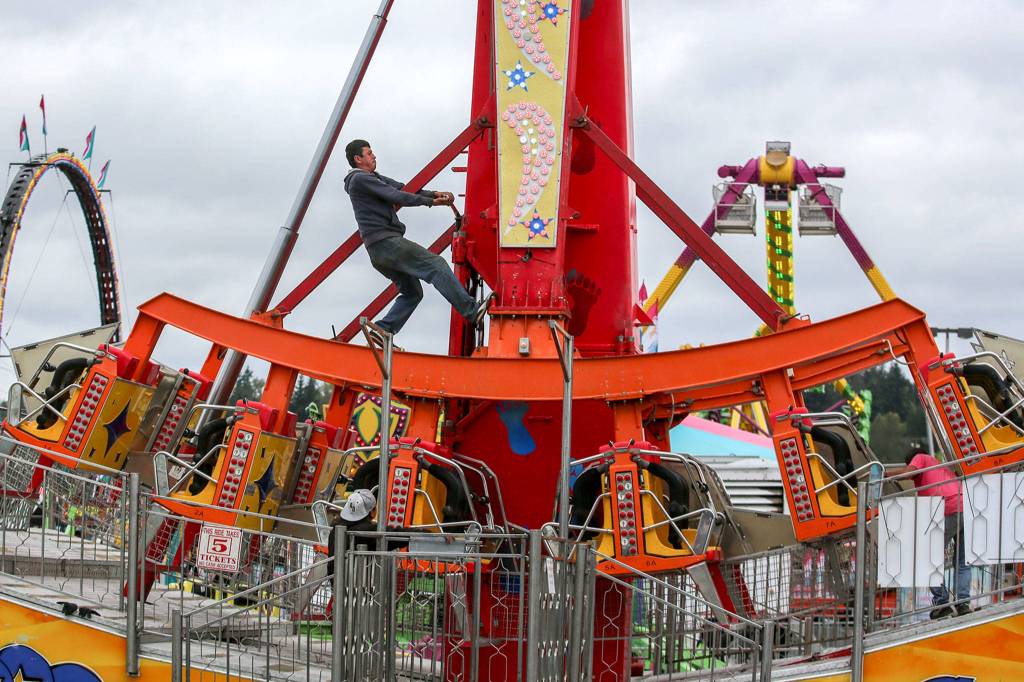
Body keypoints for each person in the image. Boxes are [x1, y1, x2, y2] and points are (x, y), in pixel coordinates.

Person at [343, 139, 490, 335]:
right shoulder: (361, 179)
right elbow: (398, 196)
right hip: (386, 243)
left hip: (378, 251)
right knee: (436, 265)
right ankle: (472, 310)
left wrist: (435, 193)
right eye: (369, 153)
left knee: (413, 292)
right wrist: (431, 202)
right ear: (358, 159)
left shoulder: (372, 178)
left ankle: (384, 329)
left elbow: (404, 189)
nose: (374, 156)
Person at [887, 448, 970, 618]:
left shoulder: (921, 457)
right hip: (965, 506)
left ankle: (942, 603)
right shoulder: (940, 467)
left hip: (947, 507)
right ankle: (963, 604)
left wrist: (885, 475)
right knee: (962, 561)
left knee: (927, 558)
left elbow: (909, 472)